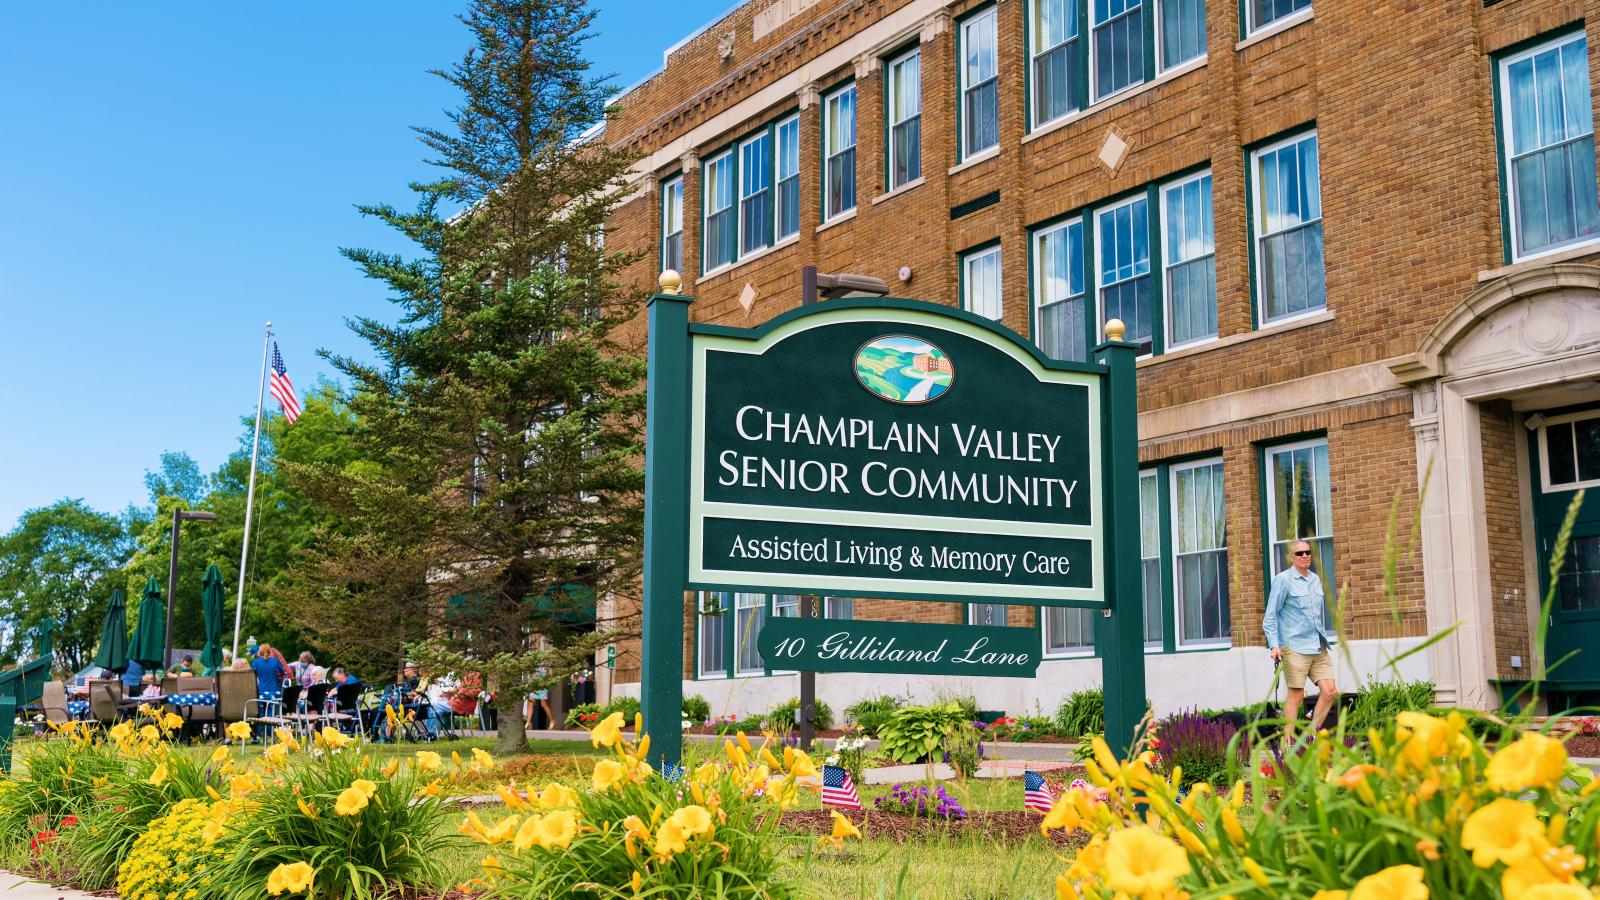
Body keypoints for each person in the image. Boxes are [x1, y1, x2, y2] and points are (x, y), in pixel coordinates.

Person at [1264, 539, 1338, 740]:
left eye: (1307, 552)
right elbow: (1270, 616)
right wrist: (1274, 645)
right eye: (1300, 553)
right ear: (1292, 557)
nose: (1305, 556)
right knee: (1296, 696)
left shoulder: (1315, 579)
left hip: (1317, 645)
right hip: (1294, 646)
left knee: (1330, 691)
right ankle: (1287, 744)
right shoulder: (1283, 580)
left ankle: (1310, 735)